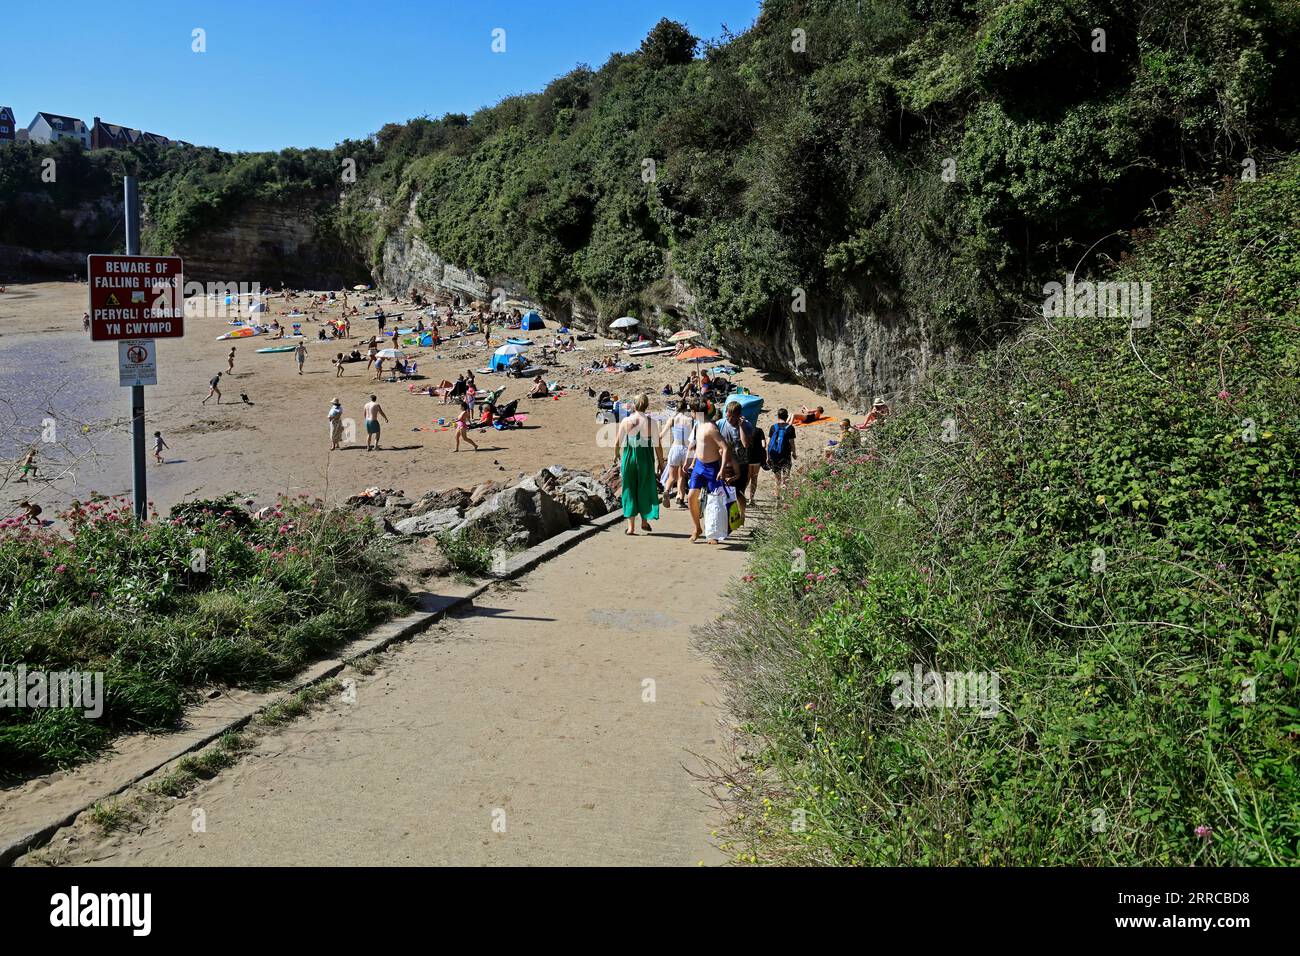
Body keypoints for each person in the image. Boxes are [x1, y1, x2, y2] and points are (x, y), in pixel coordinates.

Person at [615, 393, 662, 535]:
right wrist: (661, 462)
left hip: (629, 457)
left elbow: (618, 443)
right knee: (645, 487)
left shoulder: (626, 421)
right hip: (645, 458)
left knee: (629, 488)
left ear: (634, 406)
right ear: (647, 406)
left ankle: (631, 527)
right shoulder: (651, 423)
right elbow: (657, 445)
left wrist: (616, 455)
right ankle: (644, 521)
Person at [687, 400, 729, 543]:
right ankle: (697, 528)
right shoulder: (698, 425)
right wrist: (692, 462)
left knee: (714, 501)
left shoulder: (711, 427)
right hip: (699, 465)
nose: (691, 414)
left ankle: (714, 534)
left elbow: (725, 448)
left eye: (692, 411)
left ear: (696, 412)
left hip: (712, 467)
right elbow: (700, 445)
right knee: (691, 497)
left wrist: (722, 469)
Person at [718, 401, 754, 520]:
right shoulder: (720, 423)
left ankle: (742, 515)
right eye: (728, 415)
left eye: (733, 416)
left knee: (739, 492)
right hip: (725, 464)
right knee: (724, 491)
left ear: (739, 415)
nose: (730, 418)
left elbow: (746, 444)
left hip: (741, 463)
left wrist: (741, 426)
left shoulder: (747, 425)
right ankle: (729, 516)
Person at [660, 401, 694, 509]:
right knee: (682, 476)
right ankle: (680, 498)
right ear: (686, 409)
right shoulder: (690, 420)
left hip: (675, 448)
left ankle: (666, 490)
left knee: (671, 476)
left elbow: (661, 435)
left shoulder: (672, 420)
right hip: (686, 449)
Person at [766, 408, 797, 496]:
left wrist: (768, 457)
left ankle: (777, 500)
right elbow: (792, 443)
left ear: (778, 416)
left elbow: (768, 443)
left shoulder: (773, 427)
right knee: (786, 477)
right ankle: (785, 498)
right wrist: (794, 453)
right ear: (787, 417)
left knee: (777, 479)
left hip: (774, 455)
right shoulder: (790, 428)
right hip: (786, 455)